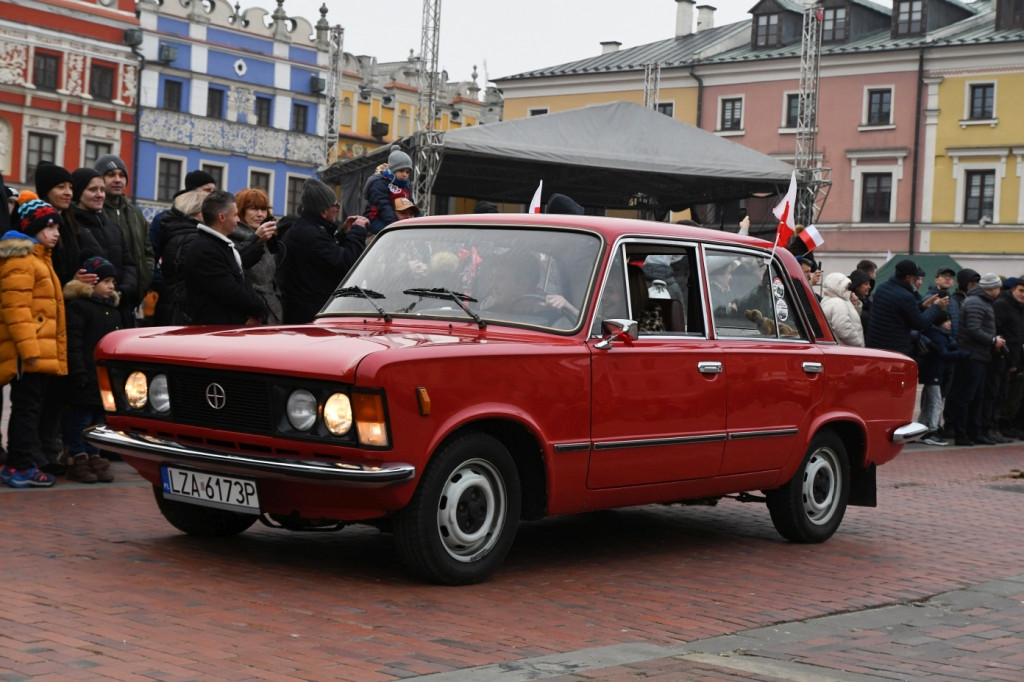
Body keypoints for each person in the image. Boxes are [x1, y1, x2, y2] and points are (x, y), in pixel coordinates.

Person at [0, 197, 67, 488]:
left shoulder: (39, 260)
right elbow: (16, 309)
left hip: (37, 352)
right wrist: (29, 352)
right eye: (49, 227)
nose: (55, 233)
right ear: (32, 227)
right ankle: (19, 466)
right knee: (26, 408)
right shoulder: (22, 261)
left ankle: (20, 462)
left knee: (30, 406)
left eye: (57, 227)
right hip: (27, 354)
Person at [62, 256, 122, 483]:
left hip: (103, 378)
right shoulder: (79, 307)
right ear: (91, 282)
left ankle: (95, 456)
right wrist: (78, 373)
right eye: (106, 281)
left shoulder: (113, 311)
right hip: (85, 376)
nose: (111, 287)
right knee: (80, 419)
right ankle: (78, 457)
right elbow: (74, 343)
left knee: (99, 420)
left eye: (113, 283)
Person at [279, 178, 366, 324]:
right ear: (323, 211)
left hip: (304, 311)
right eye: (335, 205)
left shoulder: (306, 229)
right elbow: (348, 263)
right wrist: (358, 231)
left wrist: (344, 234)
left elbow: (327, 255)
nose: (338, 208)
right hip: (310, 315)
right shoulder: (311, 234)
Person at [184, 190, 266, 326]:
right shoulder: (205, 249)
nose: (238, 220)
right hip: (217, 331)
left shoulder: (219, 245)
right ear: (221, 217)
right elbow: (228, 291)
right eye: (235, 215)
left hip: (228, 327)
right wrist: (259, 310)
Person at [70, 168, 139, 327]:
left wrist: (122, 290)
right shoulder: (70, 226)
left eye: (102, 189)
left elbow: (128, 264)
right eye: (92, 190)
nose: (100, 194)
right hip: (86, 312)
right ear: (79, 192)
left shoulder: (113, 227)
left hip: (117, 308)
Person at [946, 273, 1005, 446]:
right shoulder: (976, 302)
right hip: (972, 356)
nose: (1000, 291)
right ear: (992, 288)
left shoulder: (980, 302)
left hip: (979, 355)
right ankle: (962, 434)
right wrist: (993, 340)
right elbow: (973, 329)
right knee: (967, 396)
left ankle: (974, 432)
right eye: (998, 287)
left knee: (977, 396)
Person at [94, 155, 154, 316]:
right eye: (111, 174)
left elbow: (147, 252)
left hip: (130, 298)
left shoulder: (136, 213)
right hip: (100, 298)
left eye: (121, 175)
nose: (117, 179)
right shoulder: (95, 211)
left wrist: (141, 285)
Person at [34, 161, 102, 286]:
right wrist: (71, 283)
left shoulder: (70, 222)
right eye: (61, 187)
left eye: (70, 187)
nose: (68, 193)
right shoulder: (35, 223)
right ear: (46, 191)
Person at [865, 259, 948, 356]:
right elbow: (920, 323)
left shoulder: (882, 287)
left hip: (874, 346)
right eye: (916, 278)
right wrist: (936, 307)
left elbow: (898, 310)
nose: (918, 281)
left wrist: (922, 305)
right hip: (893, 349)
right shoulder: (906, 296)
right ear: (908, 278)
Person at [149, 169, 218, 283]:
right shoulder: (164, 219)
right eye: (207, 190)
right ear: (192, 192)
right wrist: (159, 284)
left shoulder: (214, 219)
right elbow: (151, 256)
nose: (213, 195)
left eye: (213, 190)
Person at [153, 189, 204, 326]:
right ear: (194, 212)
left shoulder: (177, 234)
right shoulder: (192, 239)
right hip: (183, 309)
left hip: (173, 305)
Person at [233, 188, 282, 324]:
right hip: (247, 315)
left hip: (272, 311)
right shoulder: (231, 239)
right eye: (253, 209)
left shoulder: (268, 239)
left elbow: (273, 278)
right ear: (241, 211)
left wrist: (276, 297)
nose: (260, 214)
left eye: (263, 209)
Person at [917, 311, 966, 446]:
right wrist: (961, 353)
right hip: (935, 373)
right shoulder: (937, 336)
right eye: (946, 320)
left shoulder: (939, 335)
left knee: (929, 402)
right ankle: (932, 431)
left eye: (950, 320)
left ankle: (921, 429)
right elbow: (943, 354)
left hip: (933, 372)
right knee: (936, 402)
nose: (949, 323)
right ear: (939, 322)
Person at [992, 277, 1024, 441]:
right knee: (999, 395)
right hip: (1002, 357)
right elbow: (996, 330)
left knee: (1012, 395)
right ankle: (998, 426)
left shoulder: (1019, 308)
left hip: (1016, 359)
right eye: (1021, 290)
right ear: (1013, 290)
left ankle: (1008, 425)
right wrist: (1006, 355)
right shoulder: (1002, 305)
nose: (1023, 295)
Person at [363, 146, 413, 235]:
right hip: (375, 219)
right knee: (391, 235)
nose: (405, 174)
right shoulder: (379, 183)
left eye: (407, 172)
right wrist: (394, 225)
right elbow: (383, 205)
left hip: (396, 220)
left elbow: (412, 204)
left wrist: (420, 222)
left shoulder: (406, 186)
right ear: (392, 170)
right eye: (401, 170)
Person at [820, 272, 864, 346]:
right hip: (847, 349)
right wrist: (858, 343)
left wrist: (855, 305)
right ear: (837, 287)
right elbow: (843, 330)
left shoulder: (829, 300)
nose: (848, 290)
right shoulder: (838, 303)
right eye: (845, 287)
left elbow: (852, 320)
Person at [849, 268, 873, 334]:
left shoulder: (868, 301)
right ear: (856, 286)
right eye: (866, 284)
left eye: (869, 284)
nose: (869, 287)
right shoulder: (851, 303)